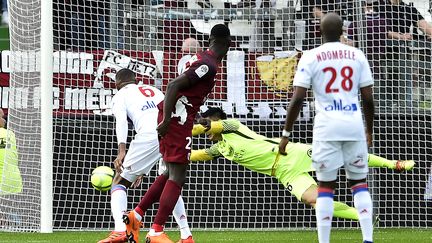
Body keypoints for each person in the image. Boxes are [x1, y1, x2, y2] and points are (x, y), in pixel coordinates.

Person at [192, 107, 414, 221]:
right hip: (282, 172)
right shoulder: (219, 148)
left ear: (217, 120)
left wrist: (183, 127)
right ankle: (363, 215)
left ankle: (393, 164)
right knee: (315, 202)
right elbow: (197, 155)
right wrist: (171, 150)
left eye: (208, 121)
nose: (206, 128)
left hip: (291, 153)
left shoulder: (232, 125)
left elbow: (208, 127)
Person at [123, 24, 231, 243]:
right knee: (177, 176)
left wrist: (196, 113)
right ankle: (156, 231)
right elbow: (173, 86)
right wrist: (166, 120)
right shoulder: (208, 65)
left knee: (168, 174)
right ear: (227, 43)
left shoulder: (203, 59)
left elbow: (186, 92)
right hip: (176, 120)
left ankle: (137, 215)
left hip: (179, 116)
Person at [279, 13, 375, 243]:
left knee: (325, 186)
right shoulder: (357, 55)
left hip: (326, 127)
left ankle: (324, 241)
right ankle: (368, 239)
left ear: (319, 31)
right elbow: (369, 99)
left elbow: (297, 99)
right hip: (352, 124)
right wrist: (369, 130)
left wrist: (286, 134)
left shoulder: (311, 56)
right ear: (342, 29)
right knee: (359, 183)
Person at [98, 69, 193, 243]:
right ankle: (186, 235)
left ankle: (120, 230)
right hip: (170, 132)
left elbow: (121, 122)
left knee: (119, 180)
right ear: (136, 80)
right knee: (171, 180)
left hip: (148, 135)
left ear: (117, 84)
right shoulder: (153, 90)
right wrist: (142, 168)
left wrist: (122, 151)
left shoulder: (120, 95)